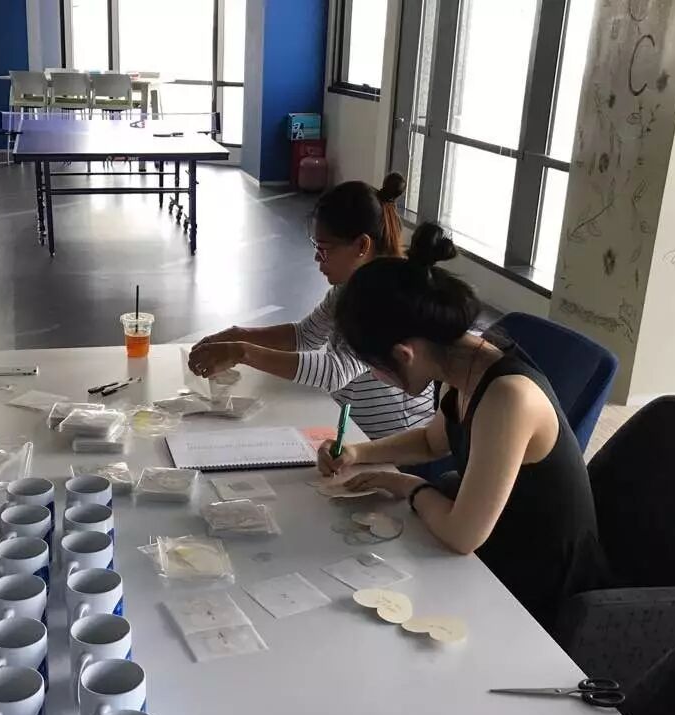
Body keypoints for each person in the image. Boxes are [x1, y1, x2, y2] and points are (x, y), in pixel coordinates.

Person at [318, 223, 607, 632]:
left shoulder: (508, 397)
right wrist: (357, 453)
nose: (378, 377)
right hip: (498, 544)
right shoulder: (460, 362)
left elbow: (462, 534)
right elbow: (431, 441)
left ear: (405, 353)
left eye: (376, 368)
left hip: (538, 591)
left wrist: (405, 485)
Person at [187, 173, 435, 439]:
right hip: (357, 432)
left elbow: (335, 371)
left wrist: (242, 352)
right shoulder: (349, 287)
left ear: (362, 245)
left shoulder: (389, 296)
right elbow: (305, 336)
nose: (317, 257)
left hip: (397, 442)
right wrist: (238, 335)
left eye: (325, 248)